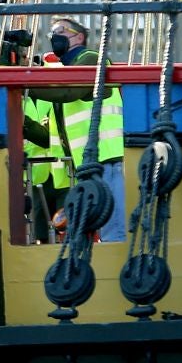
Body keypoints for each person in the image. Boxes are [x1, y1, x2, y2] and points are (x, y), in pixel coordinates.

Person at [22, 16, 126, 242]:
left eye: (60, 31)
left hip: (106, 157)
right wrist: (23, 123)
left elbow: (68, 92)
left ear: (79, 37)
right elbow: (52, 137)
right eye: (52, 33)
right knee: (96, 230)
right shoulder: (65, 71)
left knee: (113, 229)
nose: (54, 37)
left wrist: (21, 83)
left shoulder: (91, 58)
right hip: (86, 164)